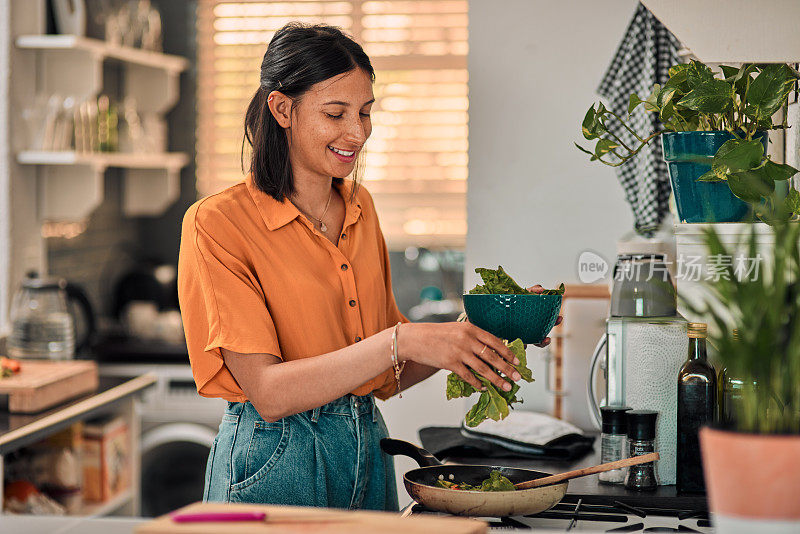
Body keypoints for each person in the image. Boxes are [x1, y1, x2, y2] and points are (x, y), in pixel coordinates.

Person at [177, 22, 559, 511]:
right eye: (335, 113)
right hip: (275, 458)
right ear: (282, 109)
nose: (356, 133)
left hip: (366, 447)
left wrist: (480, 329)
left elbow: (384, 375)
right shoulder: (218, 223)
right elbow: (268, 394)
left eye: (364, 112)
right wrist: (403, 340)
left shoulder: (361, 206)